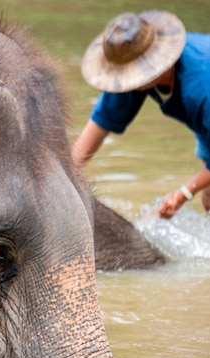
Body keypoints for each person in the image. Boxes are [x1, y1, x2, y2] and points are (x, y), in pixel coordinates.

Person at [71, 10, 210, 219]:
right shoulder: (134, 75)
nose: (128, 81)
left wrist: (183, 193)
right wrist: (67, 177)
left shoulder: (200, 88)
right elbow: (97, 129)